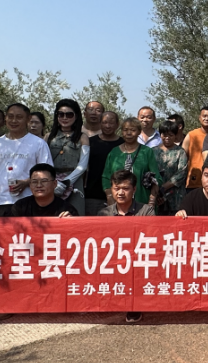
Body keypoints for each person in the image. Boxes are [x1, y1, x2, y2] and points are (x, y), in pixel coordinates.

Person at [98, 170, 155, 323]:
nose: (120, 193)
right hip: (112, 259)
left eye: (125, 188)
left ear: (134, 189)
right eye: (116, 188)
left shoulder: (146, 211)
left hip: (137, 258)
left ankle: (134, 304)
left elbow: (152, 238)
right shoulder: (103, 214)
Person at [0, 103, 53, 217]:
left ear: (28, 119)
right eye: (10, 116)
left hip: (28, 202)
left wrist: (26, 182)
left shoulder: (38, 143)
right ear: (6, 118)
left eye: (19, 117)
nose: (14, 121)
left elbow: (46, 173)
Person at [102, 118, 163, 207]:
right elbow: (106, 177)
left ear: (139, 132)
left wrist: (152, 200)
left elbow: (156, 178)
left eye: (133, 130)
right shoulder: (114, 152)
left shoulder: (147, 152)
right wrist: (110, 196)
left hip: (142, 202)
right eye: (125, 130)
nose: (129, 133)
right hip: (117, 202)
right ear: (122, 132)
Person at [47, 99, 91, 216]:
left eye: (69, 114)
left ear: (76, 116)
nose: (65, 118)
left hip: (75, 182)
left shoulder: (83, 137)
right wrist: (54, 182)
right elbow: (44, 162)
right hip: (52, 182)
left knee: (76, 215)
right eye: (61, 114)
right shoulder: (48, 137)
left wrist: (66, 182)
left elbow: (83, 165)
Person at [85, 111, 124, 215]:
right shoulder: (90, 142)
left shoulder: (123, 144)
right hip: (93, 195)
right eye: (104, 122)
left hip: (119, 194)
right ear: (100, 123)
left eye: (111, 122)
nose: (108, 126)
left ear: (117, 124)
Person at [10, 163, 78, 217]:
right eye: (34, 182)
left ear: (54, 184)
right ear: (30, 185)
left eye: (44, 181)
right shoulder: (20, 207)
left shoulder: (66, 210)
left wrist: (70, 222)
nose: (39, 185)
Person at [154, 120, 189, 216]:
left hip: (176, 194)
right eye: (164, 135)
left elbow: (182, 173)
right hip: (157, 194)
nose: (167, 138)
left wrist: (164, 187)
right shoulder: (153, 151)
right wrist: (157, 190)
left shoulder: (180, 152)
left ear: (175, 135)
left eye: (170, 135)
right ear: (160, 134)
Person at [183, 106, 208, 193]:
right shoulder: (191, 135)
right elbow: (182, 158)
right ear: (199, 117)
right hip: (193, 181)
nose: (207, 119)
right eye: (204, 116)